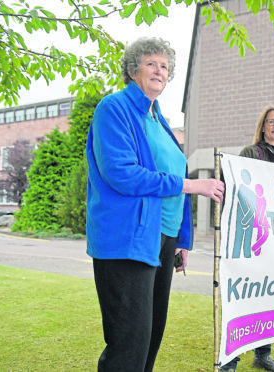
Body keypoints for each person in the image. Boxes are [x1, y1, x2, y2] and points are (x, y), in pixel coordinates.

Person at [86, 37, 224, 372]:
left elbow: (178, 174)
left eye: (164, 66)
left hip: (163, 240)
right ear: (133, 69)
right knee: (128, 341)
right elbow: (122, 174)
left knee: (150, 336)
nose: (159, 70)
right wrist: (192, 185)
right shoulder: (114, 109)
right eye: (151, 63)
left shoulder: (160, 121)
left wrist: (183, 241)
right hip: (128, 239)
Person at [220, 105, 274, 372]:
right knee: (244, 296)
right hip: (252, 231)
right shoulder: (250, 153)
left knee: (271, 297)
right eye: (271, 122)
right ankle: (230, 360)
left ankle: (263, 355)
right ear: (263, 127)